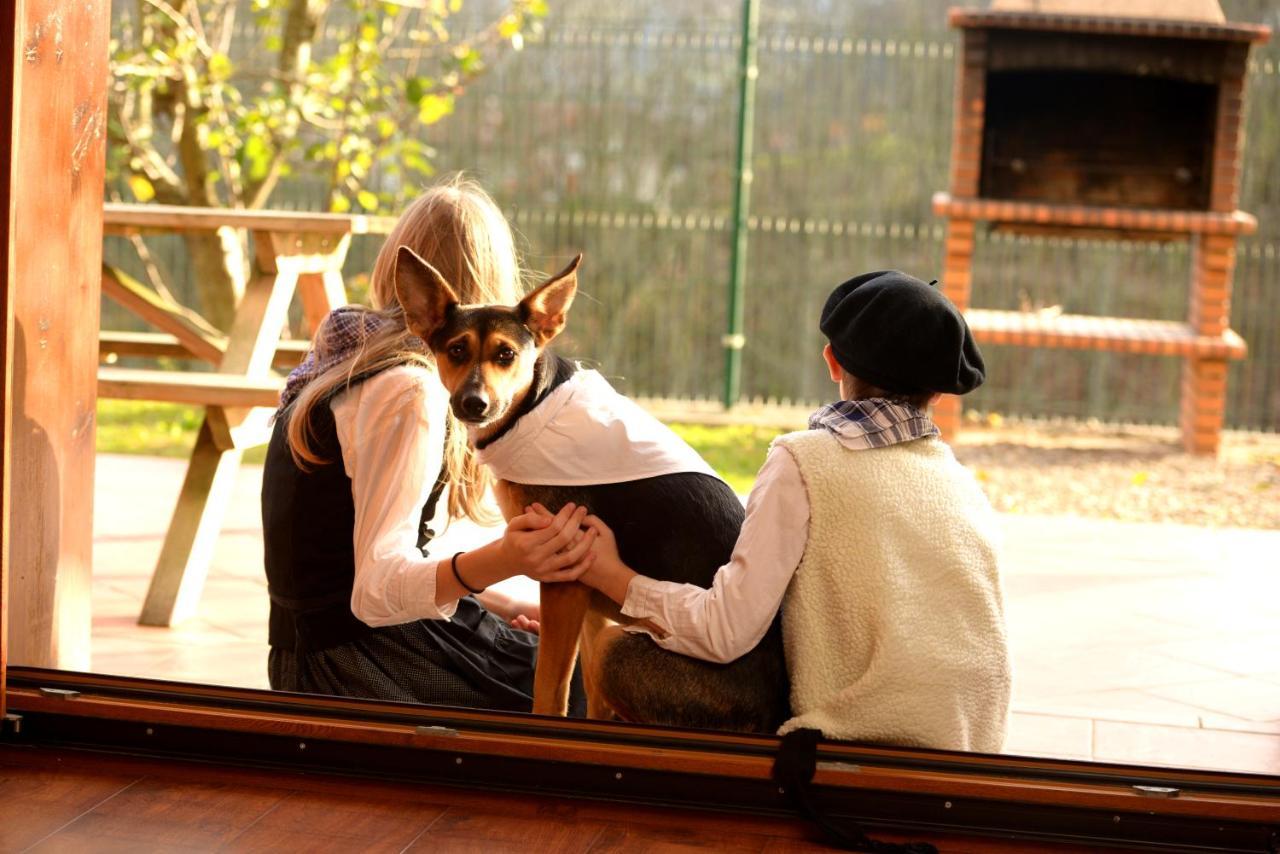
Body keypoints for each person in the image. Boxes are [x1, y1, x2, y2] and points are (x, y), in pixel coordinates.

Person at [575, 270, 1011, 752]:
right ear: (939, 393)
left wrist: (613, 576)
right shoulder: (962, 483)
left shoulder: (804, 462)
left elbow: (726, 632)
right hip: (973, 753)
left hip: (851, 752)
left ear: (832, 360)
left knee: (613, 656)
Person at [263, 177, 594, 713]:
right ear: (492, 283)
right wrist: (504, 558)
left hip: (309, 655)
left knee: (561, 651)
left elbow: (356, 565)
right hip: (357, 666)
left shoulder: (347, 352)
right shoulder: (406, 389)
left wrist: (491, 599)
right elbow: (374, 591)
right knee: (591, 686)